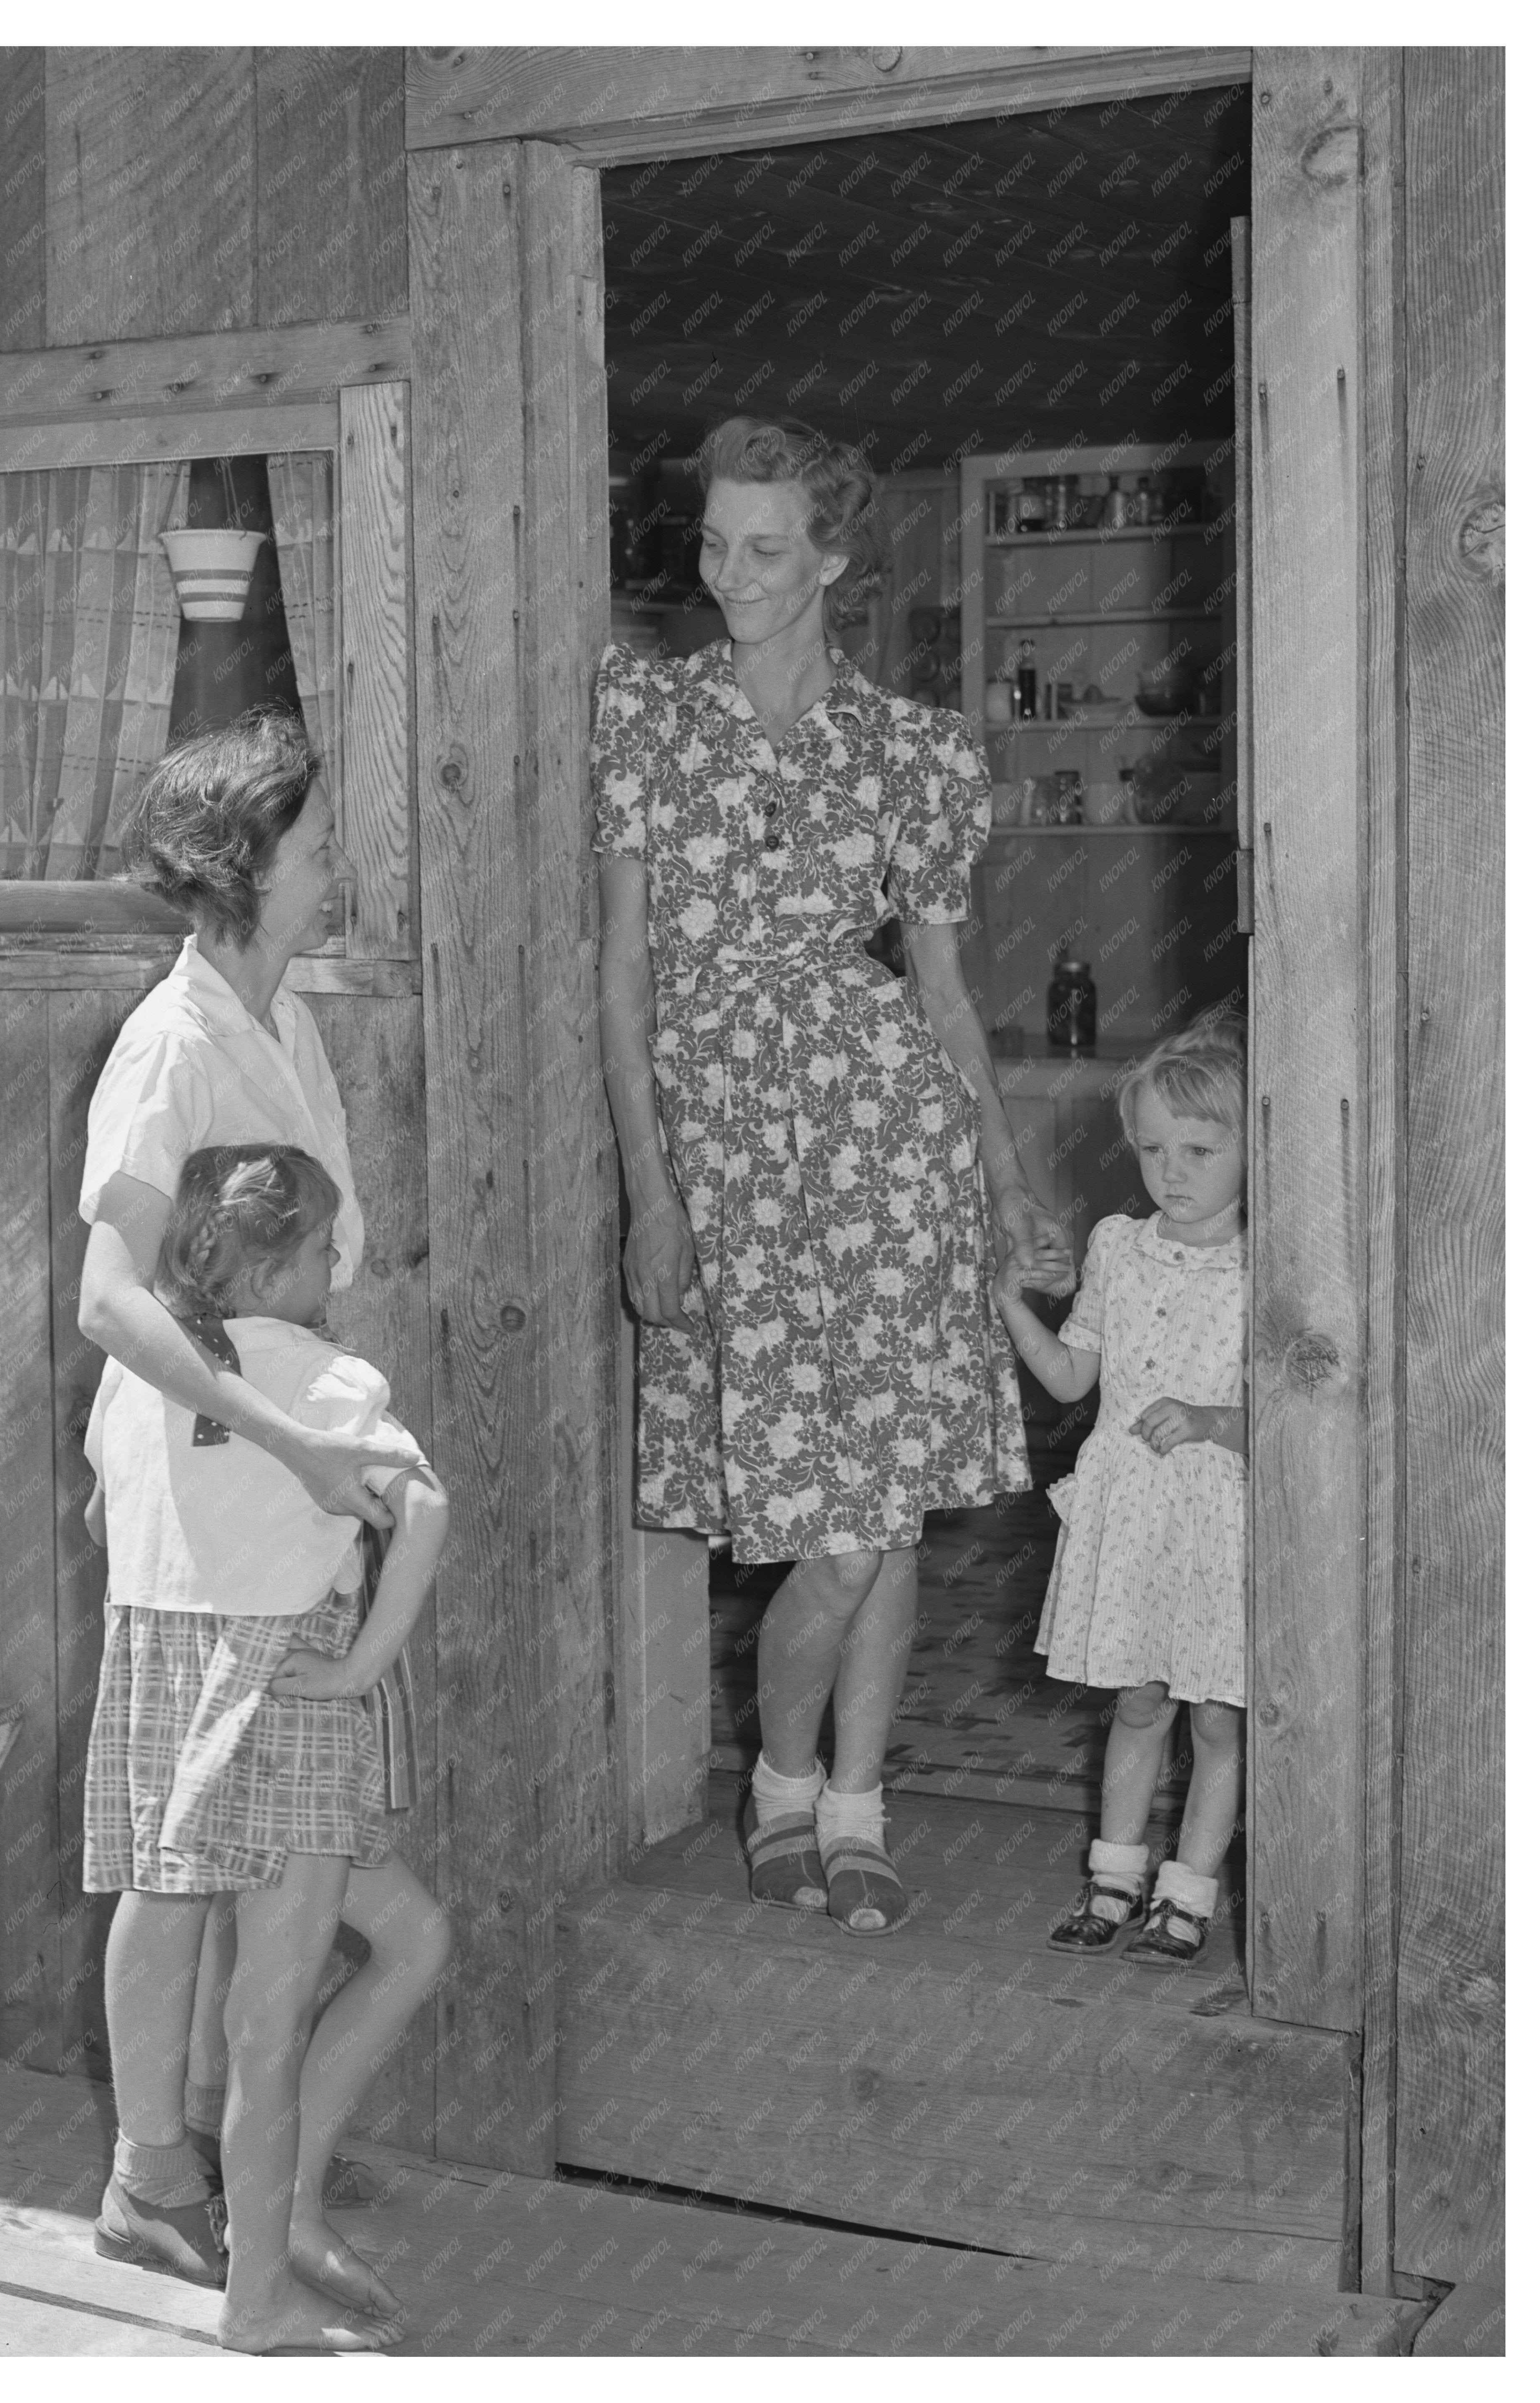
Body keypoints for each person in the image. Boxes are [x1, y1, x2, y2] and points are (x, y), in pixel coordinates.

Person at [594, 416, 1072, 1937]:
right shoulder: (648, 718)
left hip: (889, 1151)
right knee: (835, 1521)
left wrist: (1000, 1177)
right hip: (731, 1154)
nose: (728, 572)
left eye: (765, 547)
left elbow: (938, 990)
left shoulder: (917, 748)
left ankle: (842, 1805)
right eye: (716, 543)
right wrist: (649, 1193)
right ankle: (784, 1783)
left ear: (835, 564)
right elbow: (620, 985)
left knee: (888, 1508)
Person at [76, 709, 420, 2273]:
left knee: (246, 1845)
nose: (336, 856)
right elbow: (110, 1295)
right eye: (316, 834)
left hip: (285, 1499)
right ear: (245, 860)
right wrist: (281, 1438)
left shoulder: (285, 1017)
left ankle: (232, 2157)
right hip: (205, 1500)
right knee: (176, 1846)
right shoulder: (173, 1039)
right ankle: (152, 2173)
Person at [84, 1143, 452, 2352]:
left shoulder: (141, 1375)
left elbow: (107, 1510)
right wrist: (359, 1664)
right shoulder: (329, 1377)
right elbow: (425, 1508)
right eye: (325, 1243)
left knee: (410, 1935)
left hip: (167, 1714)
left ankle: (279, 2210)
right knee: (265, 2024)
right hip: (286, 1709)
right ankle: (257, 2298)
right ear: (292, 1264)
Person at [992, 1013, 1248, 1968]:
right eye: (1149, 1148)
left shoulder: (1271, 1264)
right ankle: (1114, 1876)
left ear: (1250, 1146)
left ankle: (1188, 1893)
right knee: (1138, 1702)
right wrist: (1012, 1304)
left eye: (1197, 1149)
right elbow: (1069, 1379)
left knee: (1218, 1713)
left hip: (1220, 1517)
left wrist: (1214, 1421)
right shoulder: (1117, 1245)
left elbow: (1300, 1417)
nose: (1169, 1172)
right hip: (1133, 1513)